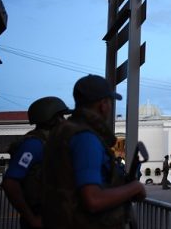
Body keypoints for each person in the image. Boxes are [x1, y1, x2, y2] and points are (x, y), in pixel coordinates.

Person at [42, 74, 146, 228]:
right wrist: (134, 188)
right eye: (110, 102)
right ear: (103, 105)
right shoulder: (85, 138)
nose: (110, 107)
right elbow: (93, 200)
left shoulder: (62, 131)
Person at [2, 96, 71, 229]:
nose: (64, 121)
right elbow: (10, 183)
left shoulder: (52, 142)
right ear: (52, 120)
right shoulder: (33, 145)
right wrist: (32, 219)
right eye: (62, 117)